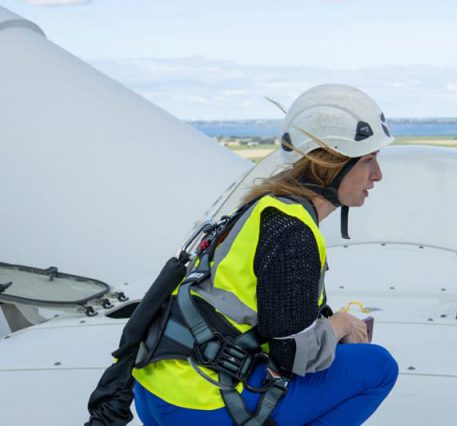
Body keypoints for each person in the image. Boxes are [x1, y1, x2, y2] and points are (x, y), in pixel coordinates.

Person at [131, 84, 399, 425]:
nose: (377, 175)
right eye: (368, 160)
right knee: (378, 367)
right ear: (330, 163)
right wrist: (340, 324)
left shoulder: (263, 209)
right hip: (201, 406)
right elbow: (292, 355)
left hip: (157, 392)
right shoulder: (293, 233)